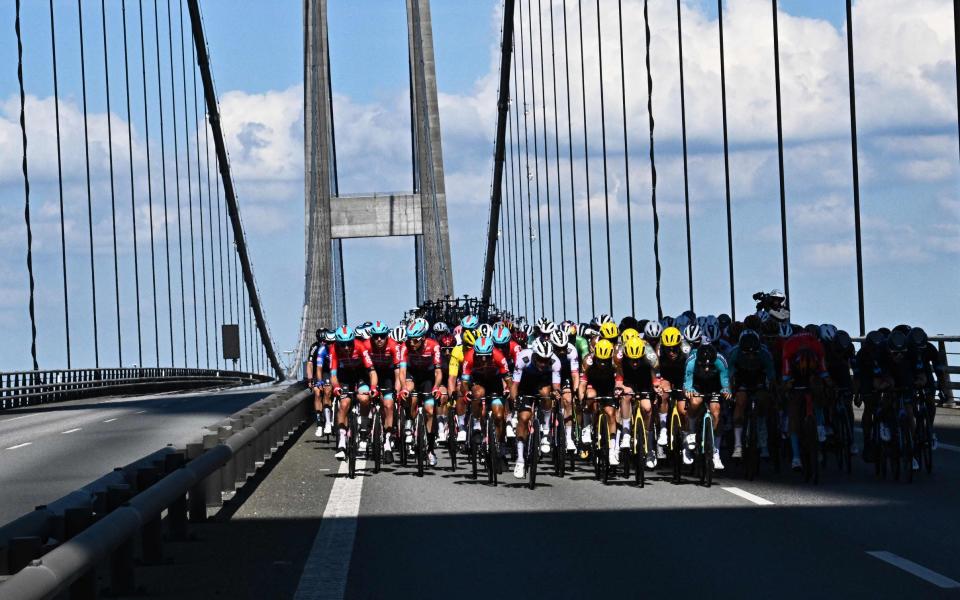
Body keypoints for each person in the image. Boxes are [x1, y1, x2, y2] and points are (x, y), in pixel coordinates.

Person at [509, 339, 561, 478]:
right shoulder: (523, 358)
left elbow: (556, 386)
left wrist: (556, 393)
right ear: (534, 356)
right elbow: (514, 385)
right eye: (540, 360)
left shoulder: (555, 362)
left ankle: (545, 432)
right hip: (525, 386)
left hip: (543, 384)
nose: (543, 363)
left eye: (546, 360)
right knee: (524, 418)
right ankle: (520, 460)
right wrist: (515, 404)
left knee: (546, 395)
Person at [781, 326, 830, 471]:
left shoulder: (816, 346)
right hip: (795, 378)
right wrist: (787, 386)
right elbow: (786, 376)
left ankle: (798, 456)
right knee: (794, 412)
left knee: (817, 395)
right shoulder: (789, 347)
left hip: (812, 376)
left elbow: (823, 371)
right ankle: (798, 455)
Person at [398, 319, 445, 467]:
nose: (412, 343)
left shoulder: (433, 346)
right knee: (410, 394)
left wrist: (437, 387)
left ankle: (430, 450)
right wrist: (403, 387)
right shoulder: (405, 347)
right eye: (410, 340)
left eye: (416, 340)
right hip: (412, 375)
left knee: (430, 411)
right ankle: (410, 422)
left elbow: (438, 371)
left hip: (428, 378)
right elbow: (402, 371)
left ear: (423, 338)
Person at [329, 326, 378, 460]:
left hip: (361, 375)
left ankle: (363, 429)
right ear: (337, 343)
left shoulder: (360, 346)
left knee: (364, 398)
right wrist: (336, 387)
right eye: (342, 345)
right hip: (344, 376)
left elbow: (372, 372)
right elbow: (333, 375)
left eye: (349, 344)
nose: (346, 348)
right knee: (344, 404)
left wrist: (373, 387)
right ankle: (341, 443)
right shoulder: (333, 349)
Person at [459, 336, 511, 458]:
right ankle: (477, 425)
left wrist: (508, 388)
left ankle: (499, 444)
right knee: (477, 394)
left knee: (499, 416)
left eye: (487, 356)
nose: (483, 359)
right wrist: (466, 392)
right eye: (479, 356)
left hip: (495, 384)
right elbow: (464, 383)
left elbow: (508, 379)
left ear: (492, 352)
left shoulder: (499, 356)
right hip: (478, 382)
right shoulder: (469, 357)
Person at [727, 329, 775, 459]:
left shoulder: (765, 353)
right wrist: (730, 392)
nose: (751, 356)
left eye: (754, 353)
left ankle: (763, 439)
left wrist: (771, 391)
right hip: (741, 378)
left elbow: (771, 375)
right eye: (747, 354)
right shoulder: (734, 353)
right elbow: (729, 375)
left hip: (758, 377)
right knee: (740, 402)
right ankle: (737, 445)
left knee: (763, 401)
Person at [683, 344, 731, 470]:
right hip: (697, 384)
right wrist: (689, 390)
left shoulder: (721, 361)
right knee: (695, 402)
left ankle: (716, 452)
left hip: (714, 385)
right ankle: (692, 432)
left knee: (716, 412)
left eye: (709, 366)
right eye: (703, 365)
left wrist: (726, 390)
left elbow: (725, 381)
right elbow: (688, 381)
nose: (706, 369)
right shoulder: (691, 361)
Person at [616, 336, 658, 468]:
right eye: (632, 360)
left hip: (644, 382)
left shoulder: (650, 359)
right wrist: (620, 389)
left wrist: (656, 387)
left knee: (647, 409)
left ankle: (649, 446)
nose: (634, 363)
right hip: (628, 381)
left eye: (637, 360)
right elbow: (618, 382)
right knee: (626, 396)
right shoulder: (620, 360)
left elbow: (655, 380)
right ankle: (627, 433)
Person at [364, 321, 402, 463]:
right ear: (372, 337)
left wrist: (396, 391)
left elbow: (398, 373)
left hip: (387, 375)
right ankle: (366, 425)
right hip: (370, 374)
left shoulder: (393, 346)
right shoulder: (366, 346)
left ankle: (387, 440)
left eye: (382, 336)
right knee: (365, 397)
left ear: (387, 336)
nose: (379, 339)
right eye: (376, 336)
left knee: (388, 405)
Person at [579, 339, 621, 468]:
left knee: (610, 413)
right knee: (590, 396)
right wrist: (582, 399)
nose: (602, 364)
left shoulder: (615, 361)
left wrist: (618, 391)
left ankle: (613, 449)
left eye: (605, 361)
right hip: (593, 385)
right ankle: (587, 426)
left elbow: (619, 381)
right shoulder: (588, 361)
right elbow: (582, 383)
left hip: (608, 387)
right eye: (599, 360)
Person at [654, 326, 690, 459]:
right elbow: (655, 369)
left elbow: (691, 370)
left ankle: (686, 442)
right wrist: (657, 384)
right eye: (668, 348)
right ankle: (663, 429)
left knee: (683, 410)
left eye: (674, 348)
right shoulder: (658, 350)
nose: (671, 352)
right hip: (666, 374)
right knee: (663, 393)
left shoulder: (686, 349)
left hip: (683, 376)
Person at [550, 329, 581, 452]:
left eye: (564, 347)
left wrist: (576, 390)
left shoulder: (571, 350)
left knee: (568, 400)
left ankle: (568, 437)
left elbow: (575, 374)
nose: (562, 351)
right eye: (558, 348)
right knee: (548, 398)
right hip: (550, 374)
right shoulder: (547, 351)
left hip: (565, 375)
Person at [305, 328, 333, 437]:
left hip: (329, 371)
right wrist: (310, 380)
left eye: (324, 340)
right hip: (318, 371)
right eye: (320, 340)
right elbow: (310, 364)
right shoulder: (314, 347)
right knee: (317, 393)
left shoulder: (332, 346)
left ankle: (330, 418)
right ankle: (319, 424)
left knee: (328, 391)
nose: (323, 343)